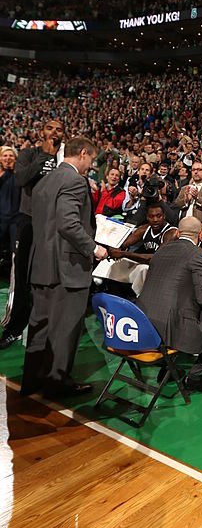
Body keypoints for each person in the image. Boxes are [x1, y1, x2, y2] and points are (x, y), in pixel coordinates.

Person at [22, 136, 108, 397]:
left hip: (41, 265)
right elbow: (68, 223)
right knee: (65, 328)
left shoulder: (44, 180)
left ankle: (33, 380)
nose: (90, 166)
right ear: (82, 153)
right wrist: (94, 248)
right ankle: (57, 382)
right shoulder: (74, 180)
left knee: (40, 325)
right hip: (66, 268)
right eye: (91, 160)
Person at [136, 216, 202, 393]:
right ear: (198, 235)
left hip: (144, 321)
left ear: (177, 233)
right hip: (171, 326)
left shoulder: (161, 251)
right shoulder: (199, 255)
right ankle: (195, 376)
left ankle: (169, 367)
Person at [0, 118, 64, 351]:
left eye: (59, 129)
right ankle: (14, 328)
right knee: (22, 277)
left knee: (50, 278)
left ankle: (46, 329)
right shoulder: (28, 154)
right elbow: (22, 179)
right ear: (41, 132)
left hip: (55, 223)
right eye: (49, 128)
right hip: (28, 221)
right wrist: (45, 155)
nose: (54, 132)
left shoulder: (65, 160)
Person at [107, 204, 178, 265]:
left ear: (164, 216)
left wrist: (124, 254)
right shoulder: (144, 228)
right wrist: (114, 250)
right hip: (144, 263)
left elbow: (156, 258)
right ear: (147, 217)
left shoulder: (171, 232)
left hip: (162, 267)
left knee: (142, 269)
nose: (155, 220)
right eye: (151, 216)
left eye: (158, 216)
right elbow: (122, 245)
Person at [0, 146, 20, 270]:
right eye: (5, 156)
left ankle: (14, 286)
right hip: (1, 218)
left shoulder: (20, 175)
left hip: (16, 219)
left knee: (16, 253)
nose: (8, 158)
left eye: (11, 155)